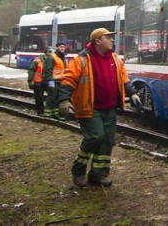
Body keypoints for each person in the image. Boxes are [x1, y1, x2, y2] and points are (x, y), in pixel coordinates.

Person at [58, 28, 141, 188]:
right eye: (108, 38)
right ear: (97, 41)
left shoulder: (115, 59)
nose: (112, 40)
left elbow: (124, 78)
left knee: (107, 141)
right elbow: (68, 79)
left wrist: (133, 92)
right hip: (90, 107)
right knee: (95, 136)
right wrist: (63, 99)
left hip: (109, 107)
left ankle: (98, 175)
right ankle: (78, 169)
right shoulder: (81, 60)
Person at [27, 48, 55, 116]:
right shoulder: (37, 60)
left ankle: (49, 110)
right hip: (38, 82)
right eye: (50, 51)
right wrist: (31, 80)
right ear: (45, 52)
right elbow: (31, 70)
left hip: (47, 81)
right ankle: (40, 111)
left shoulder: (51, 60)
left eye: (52, 52)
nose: (51, 53)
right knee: (39, 97)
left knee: (52, 95)